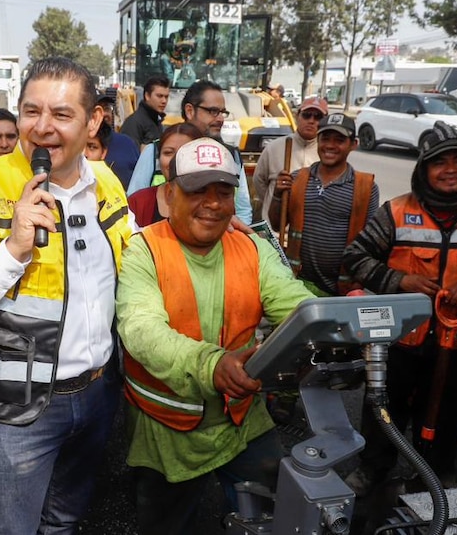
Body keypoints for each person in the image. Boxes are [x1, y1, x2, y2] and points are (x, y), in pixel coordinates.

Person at [0, 57, 132, 535]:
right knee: (12, 526)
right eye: (30, 112)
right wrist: (14, 250)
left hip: (100, 391)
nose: (42, 129)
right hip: (17, 411)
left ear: (94, 120)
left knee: (65, 516)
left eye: (61, 115)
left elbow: (130, 267)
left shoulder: (106, 182)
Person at [116, 137, 315, 534]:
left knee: (273, 517)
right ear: (170, 194)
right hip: (167, 428)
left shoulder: (251, 247)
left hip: (243, 420)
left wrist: (333, 318)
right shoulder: (143, 250)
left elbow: (294, 301)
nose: (212, 203)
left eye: (223, 191)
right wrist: (211, 363)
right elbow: (141, 330)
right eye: (197, 190)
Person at [342, 121, 457, 491]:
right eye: (440, 162)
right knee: (383, 409)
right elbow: (355, 257)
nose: (451, 170)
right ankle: (374, 468)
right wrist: (399, 281)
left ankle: (436, 475)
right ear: (424, 169)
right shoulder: (396, 212)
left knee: (449, 413)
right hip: (401, 341)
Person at [268, 113, 379, 296]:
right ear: (318, 141)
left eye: (339, 140)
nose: (330, 146)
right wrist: (278, 194)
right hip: (298, 282)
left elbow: (371, 244)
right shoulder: (296, 178)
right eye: (325, 138)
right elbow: (275, 224)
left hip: (342, 288)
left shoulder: (365, 187)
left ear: (354, 144)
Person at [130, 80, 252, 225]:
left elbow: (243, 210)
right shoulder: (154, 151)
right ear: (189, 111)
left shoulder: (230, 156)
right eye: (213, 111)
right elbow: (134, 205)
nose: (220, 119)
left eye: (222, 112)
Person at [253, 97, 328, 219]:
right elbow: (259, 182)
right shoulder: (274, 148)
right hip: (275, 230)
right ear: (297, 116)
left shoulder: (327, 152)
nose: (311, 121)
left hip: (308, 231)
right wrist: (274, 202)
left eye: (318, 117)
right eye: (307, 115)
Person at [127, 123, 204, 227]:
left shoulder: (214, 203)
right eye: (168, 153)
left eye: (184, 152)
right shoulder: (138, 202)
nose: (175, 160)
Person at [120, 75, 170, 148]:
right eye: (159, 96)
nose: (164, 101)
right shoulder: (134, 123)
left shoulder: (156, 120)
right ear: (147, 96)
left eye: (166, 97)